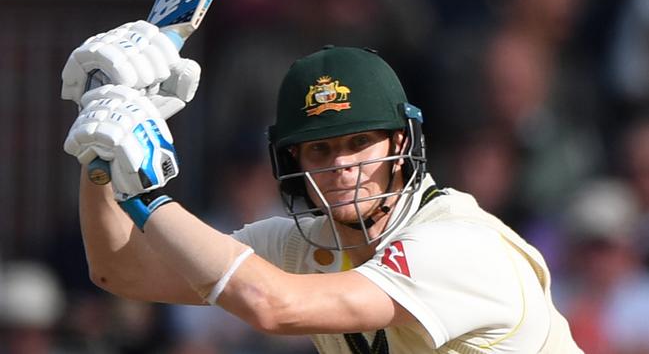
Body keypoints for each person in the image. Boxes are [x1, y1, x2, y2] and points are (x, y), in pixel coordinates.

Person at [61, 21, 583, 353]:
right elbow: (120, 270)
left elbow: (272, 305)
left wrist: (147, 191)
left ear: (402, 143)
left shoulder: (456, 244)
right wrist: (103, 157)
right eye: (321, 149)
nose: (343, 165)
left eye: (360, 141)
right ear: (294, 161)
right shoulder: (305, 245)